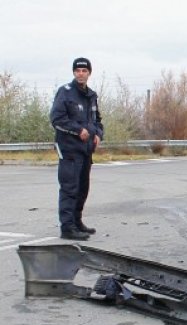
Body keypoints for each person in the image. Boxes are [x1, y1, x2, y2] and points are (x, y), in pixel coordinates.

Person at [49, 57, 103, 241]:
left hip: (86, 150)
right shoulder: (65, 93)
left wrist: (98, 134)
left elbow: (97, 121)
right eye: (78, 71)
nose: (81, 74)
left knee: (82, 188)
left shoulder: (92, 95)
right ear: (74, 72)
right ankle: (67, 227)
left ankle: (77, 221)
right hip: (69, 148)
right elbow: (57, 120)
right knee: (69, 188)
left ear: (89, 73)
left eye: (84, 71)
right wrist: (78, 130)